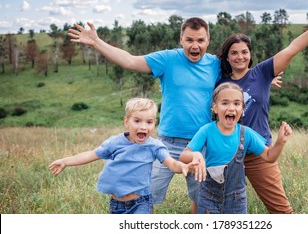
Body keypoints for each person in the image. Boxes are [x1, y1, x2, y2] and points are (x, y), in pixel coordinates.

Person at [67, 18, 220, 213]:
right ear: (181, 39)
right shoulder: (168, 59)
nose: (195, 45)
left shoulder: (215, 64)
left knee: (202, 198)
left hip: (200, 143)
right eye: (189, 40)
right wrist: (97, 42)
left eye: (200, 40)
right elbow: (130, 60)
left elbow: (243, 74)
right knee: (144, 195)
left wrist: (269, 78)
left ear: (208, 40)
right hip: (166, 143)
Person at [216, 1, 308, 213]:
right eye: (234, 53)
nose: (240, 57)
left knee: (281, 211)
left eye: (244, 52)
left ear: (250, 54)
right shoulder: (220, 82)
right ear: (226, 56)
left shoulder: (261, 73)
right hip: (225, 154)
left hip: (259, 152)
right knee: (221, 211)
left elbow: (291, 49)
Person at [49, 98, 199, 214]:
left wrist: (184, 166)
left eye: (149, 122)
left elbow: (171, 163)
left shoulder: (155, 146)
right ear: (126, 122)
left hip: (141, 203)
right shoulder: (115, 143)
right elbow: (92, 154)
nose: (143, 126)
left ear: (155, 124)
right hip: (116, 204)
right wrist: (65, 161)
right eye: (137, 121)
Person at [179, 82, 292, 214]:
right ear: (215, 108)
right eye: (225, 103)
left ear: (243, 109)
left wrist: (280, 142)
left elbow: (269, 156)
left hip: (236, 201)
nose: (231, 108)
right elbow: (183, 156)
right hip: (208, 197)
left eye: (237, 103)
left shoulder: (246, 133)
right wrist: (195, 155)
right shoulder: (206, 131)